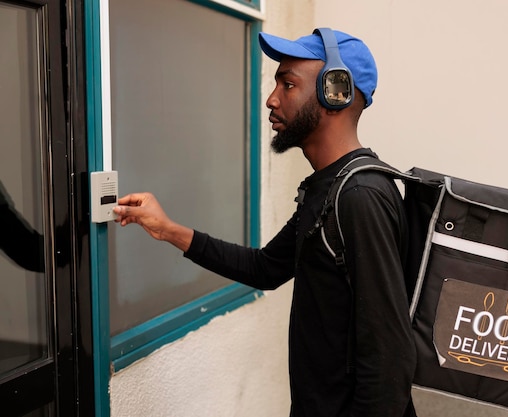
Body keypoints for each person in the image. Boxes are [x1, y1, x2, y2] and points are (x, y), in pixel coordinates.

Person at [113, 29, 417, 417]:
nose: (272, 99)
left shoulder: (359, 197)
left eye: (288, 84)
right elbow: (265, 268)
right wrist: (167, 229)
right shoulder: (329, 189)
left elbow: (390, 362)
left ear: (335, 92)